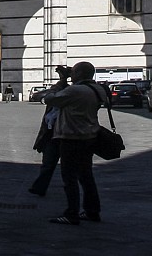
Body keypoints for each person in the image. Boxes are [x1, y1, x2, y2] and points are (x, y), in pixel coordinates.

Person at [41, 61, 112, 225]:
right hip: (90, 137)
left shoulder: (75, 90)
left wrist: (61, 81)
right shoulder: (98, 89)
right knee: (86, 176)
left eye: (73, 72)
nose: (70, 74)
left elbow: (50, 99)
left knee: (69, 177)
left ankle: (71, 213)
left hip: (71, 137)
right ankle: (92, 211)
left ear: (79, 74)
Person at [28, 66, 69, 197]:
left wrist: (62, 80)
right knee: (48, 163)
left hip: (67, 135)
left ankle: (74, 200)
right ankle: (40, 187)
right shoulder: (66, 94)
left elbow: (50, 96)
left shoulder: (73, 93)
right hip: (52, 134)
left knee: (69, 168)